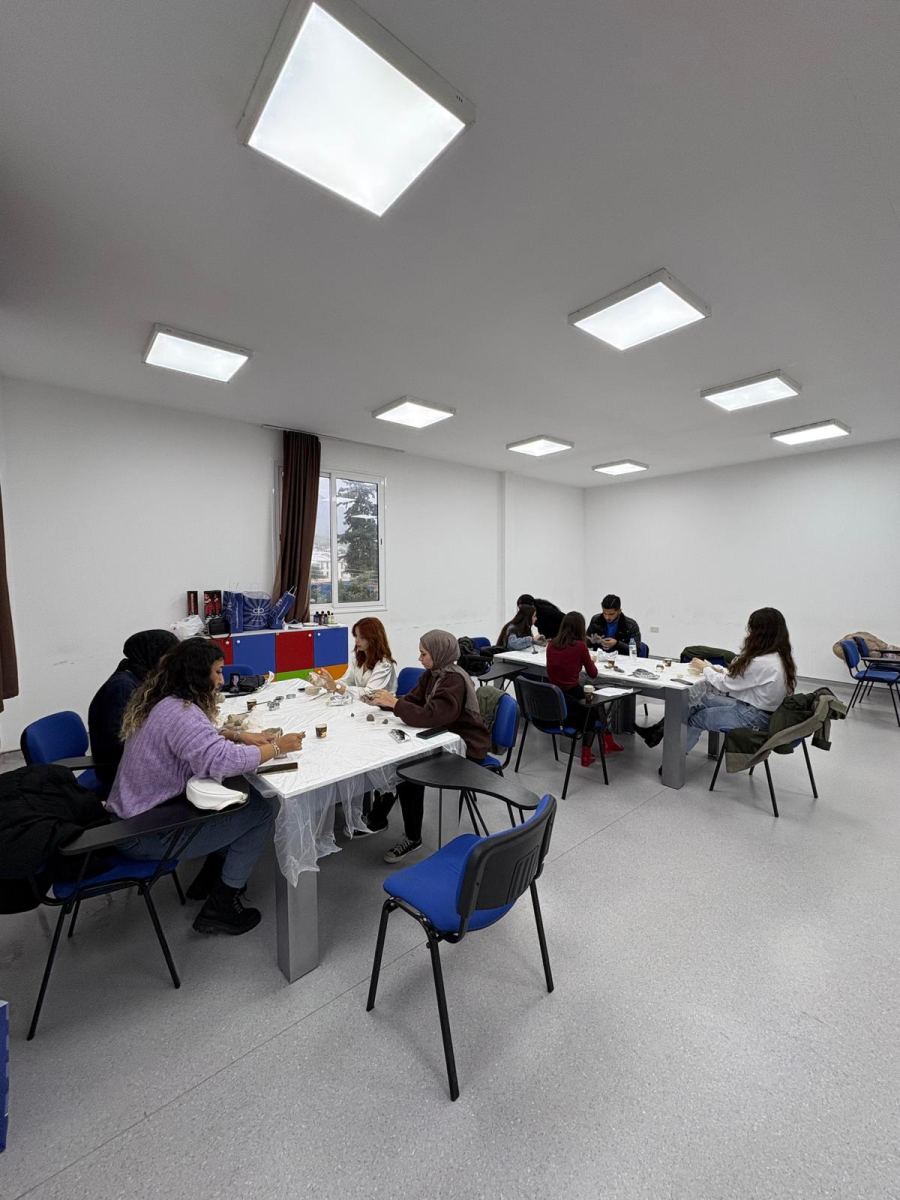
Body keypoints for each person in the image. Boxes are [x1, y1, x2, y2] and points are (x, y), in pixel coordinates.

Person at [108, 637, 305, 934]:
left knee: (237, 795)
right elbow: (222, 761)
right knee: (261, 812)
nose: (222, 680)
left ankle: (210, 875)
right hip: (145, 832)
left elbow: (201, 738)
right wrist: (277, 748)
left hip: (133, 817)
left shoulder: (166, 704)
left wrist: (239, 736)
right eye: (218, 672)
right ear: (198, 675)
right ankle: (222, 905)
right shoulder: (182, 714)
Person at [364, 630, 490, 863]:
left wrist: (396, 704)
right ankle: (377, 817)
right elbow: (412, 700)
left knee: (408, 770)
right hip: (442, 736)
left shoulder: (454, 680)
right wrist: (383, 702)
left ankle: (412, 837)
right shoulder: (432, 674)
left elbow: (432, 716)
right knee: (396, 761)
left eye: (424, 654)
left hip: (465, 745)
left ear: (439, 653)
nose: (419, 658)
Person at [638, 608, 796, 752]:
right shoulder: (778, 657)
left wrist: (704, 669)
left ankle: (674, 763)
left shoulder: (760, 662)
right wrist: (713, 668)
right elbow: (743, 679)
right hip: (760, 712)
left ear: (760, 633)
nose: (749, 635)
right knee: (699, 700)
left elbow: (726, 685)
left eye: (751, 630)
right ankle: (656, 732)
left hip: (752, 717)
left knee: (694, 717)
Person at [88, 629, 179, 793]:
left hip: (133, 760)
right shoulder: (122, 687)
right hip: (118, 769)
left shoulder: (141, 679)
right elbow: (118, 742)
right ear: (153, 655)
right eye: (169, 659)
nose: (172, 665)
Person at [546, 611, 623, 766]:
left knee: (594, 704)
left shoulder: (551, 644)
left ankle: (607, 740)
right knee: (595, 708)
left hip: (554, 698)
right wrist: (588, 659)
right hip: (573, 699)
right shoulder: (580, 646)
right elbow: (593, 674)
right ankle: (589, 751)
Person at [311, 617, 397, 696]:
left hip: (381, 706)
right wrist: (325, 682)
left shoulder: (384, 664)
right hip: (363, 703)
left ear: (374, 639)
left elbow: (369, 693)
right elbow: (347, 681)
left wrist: (336, 686)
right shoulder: (358, 658)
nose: (357, 641)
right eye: (356, 636)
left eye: (362, 637)